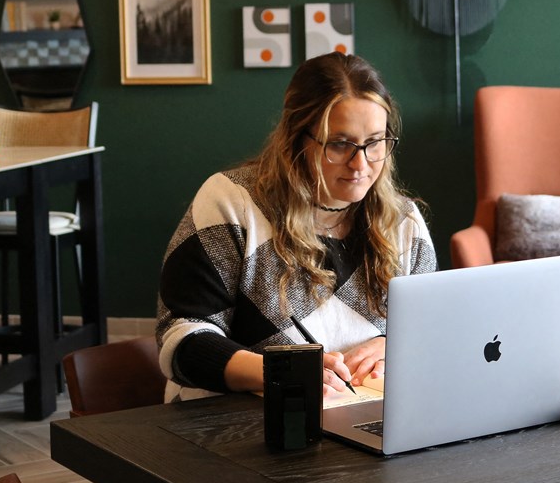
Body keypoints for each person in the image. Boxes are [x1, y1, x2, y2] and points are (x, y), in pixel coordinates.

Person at [156, 52, 437, 402]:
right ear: (296, 139)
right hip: (238, 419)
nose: (360, 164)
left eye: (375, 142)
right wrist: (281, 374)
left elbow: (430, 330)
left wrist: (394, 345)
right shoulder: (232, 203)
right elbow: (181, 341)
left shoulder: (404, 223)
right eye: (339, 144)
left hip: (357, 415)